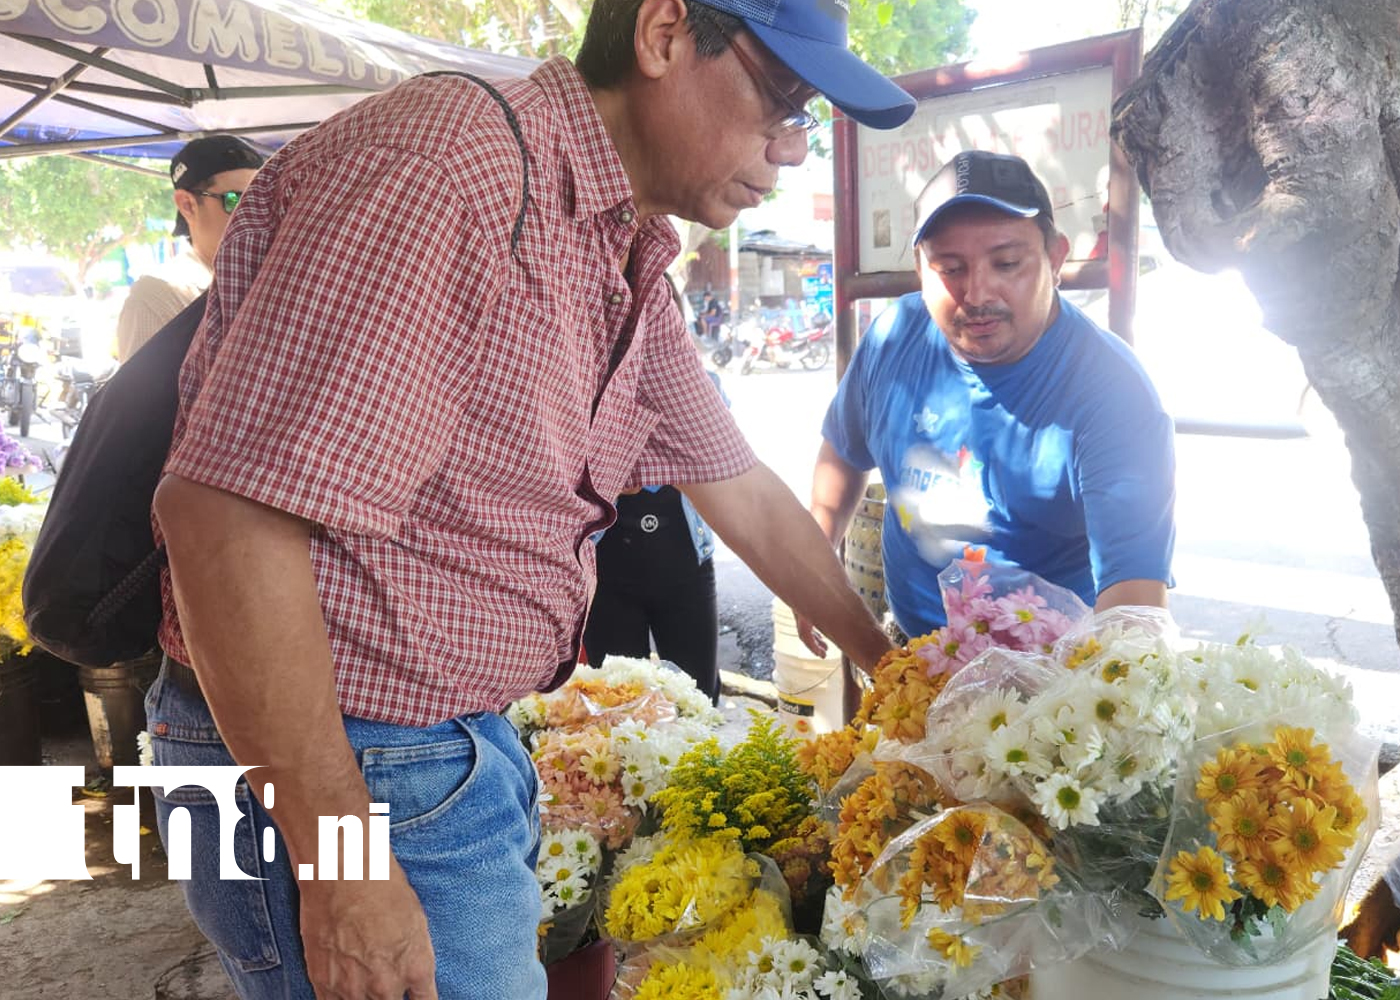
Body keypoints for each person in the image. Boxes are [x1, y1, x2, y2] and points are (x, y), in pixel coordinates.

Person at [147, 2, 914, 998]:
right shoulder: (450, 167)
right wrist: (343, 870)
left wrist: (888, 668)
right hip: (345, 765)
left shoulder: (620, 248)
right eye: (776, 101)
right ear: (663, 33)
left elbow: (742, 488)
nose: (788, 151)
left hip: (429, 752)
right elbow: (225, 519)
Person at [802, 150, 1175, 651]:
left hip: (1050, 674)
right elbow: (843, 453)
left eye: (1007, 263)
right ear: (919, 269)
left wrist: (1093, 696)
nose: (977, 293)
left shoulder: (1113, 394)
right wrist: (813, 566)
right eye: (949, 268)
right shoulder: (893, 336)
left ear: (1056, 258)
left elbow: (1134, 598)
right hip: (911, 650)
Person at [585, 365, 729, 704]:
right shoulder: (584, 387)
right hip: (607, 575)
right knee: (616, 706)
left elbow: (721, 467)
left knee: (697, 701)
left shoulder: (703, 382)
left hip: (686, 571)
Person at [114, 136, 263, 362]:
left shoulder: (266, 280)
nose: (255, 214)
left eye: (262, 200)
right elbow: (141, 397)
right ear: (187, 205)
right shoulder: (156, 296)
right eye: (237, 200)